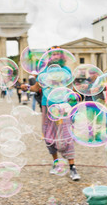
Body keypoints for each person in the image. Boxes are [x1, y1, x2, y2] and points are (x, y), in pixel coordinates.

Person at [21, 46, 80, 181]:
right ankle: (56, 163)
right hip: (47, 105)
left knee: (66, 134)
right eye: (51, 55)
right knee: (48, 135)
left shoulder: (66, 70)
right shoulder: (43, 71)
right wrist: (28, 88)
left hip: (62, 105)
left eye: (57, 55)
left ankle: (72, 167)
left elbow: (72, 87)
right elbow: (37, 87)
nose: (54, 57)